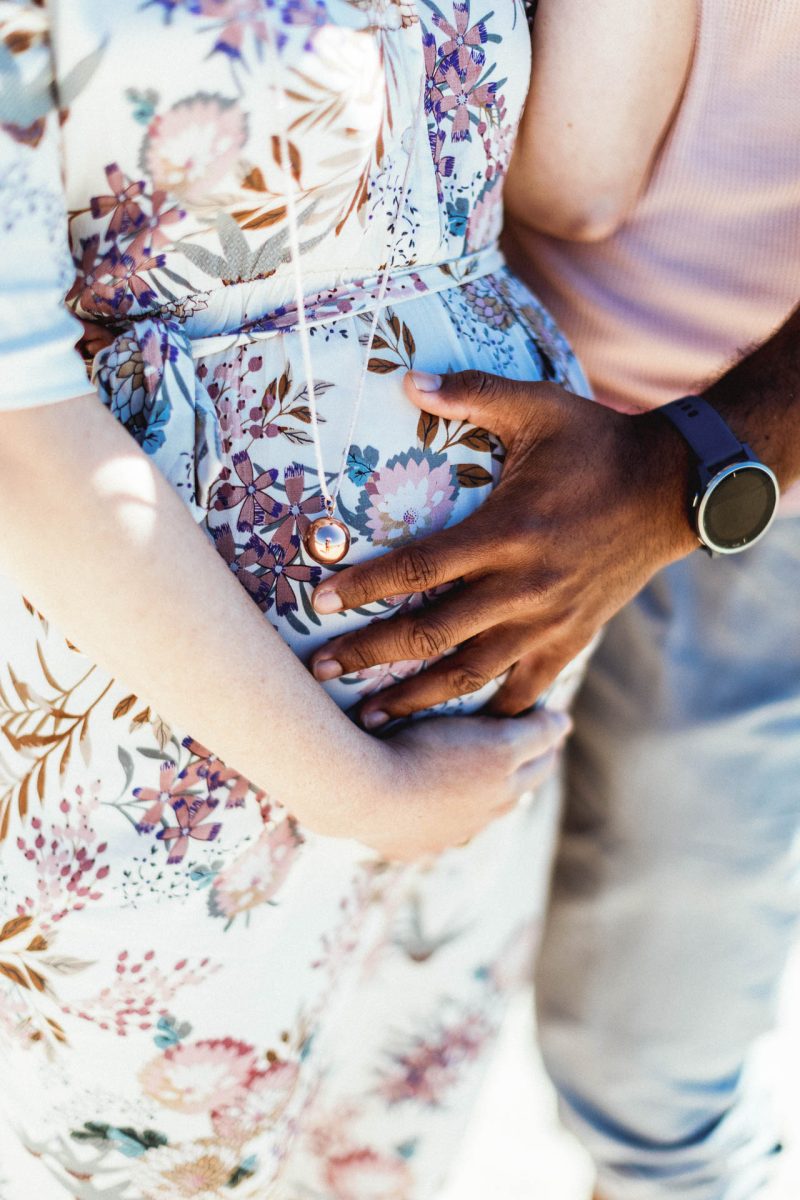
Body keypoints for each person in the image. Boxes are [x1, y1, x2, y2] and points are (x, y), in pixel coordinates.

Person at [0, 2, 584, 1197]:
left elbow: (584, 187)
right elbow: (13, 430)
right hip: (155, 741)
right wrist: (362, 788)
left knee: (379, 1165)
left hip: (478, 705)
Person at [309, 1, 800, 1196]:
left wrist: (681, 475)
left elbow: (577, 184)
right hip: (485, 442)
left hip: (730, 478)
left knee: (650, 1054)